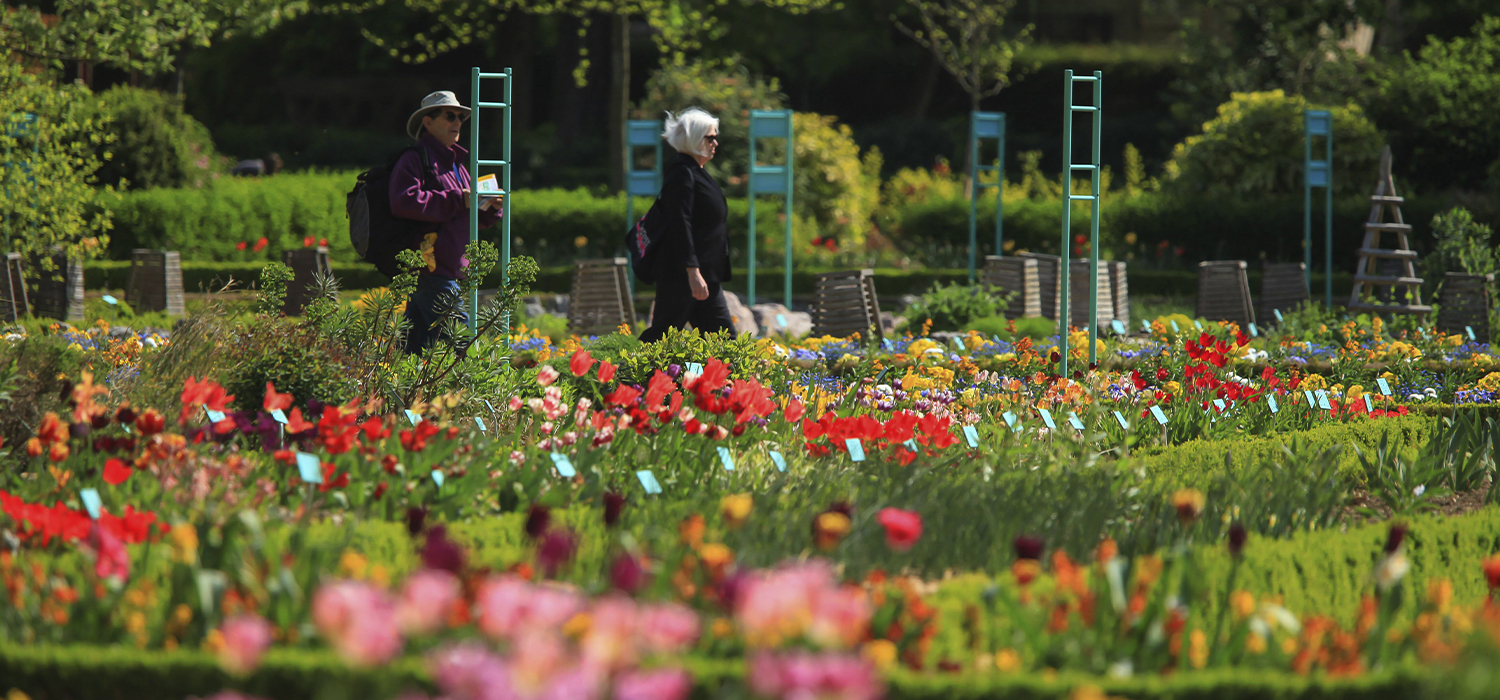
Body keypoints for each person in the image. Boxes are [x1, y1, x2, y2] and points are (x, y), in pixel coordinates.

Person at [391, 90, 502, 353]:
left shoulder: (457, 165)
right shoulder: (414, 159)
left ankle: (394, 392)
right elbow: (403, 201)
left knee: (413, 354)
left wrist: (488, 208)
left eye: (461, 117)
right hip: (431, 269)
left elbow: (462, 212)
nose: (457, 122)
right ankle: (478, 395)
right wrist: (457, 199)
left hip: (442, 270)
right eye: (450, 115)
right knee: (460, 349)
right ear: (427, 122)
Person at [639, 107, 733, 343]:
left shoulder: (696, 172)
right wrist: (692, 272)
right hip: (683, 278)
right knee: (660, 339)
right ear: (694, 139)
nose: (716, 143)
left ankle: (695, 378)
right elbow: (680, 224)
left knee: (722, 343)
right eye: (710, 137)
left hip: (705, 276)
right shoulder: (682, 173)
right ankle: (625, 378)